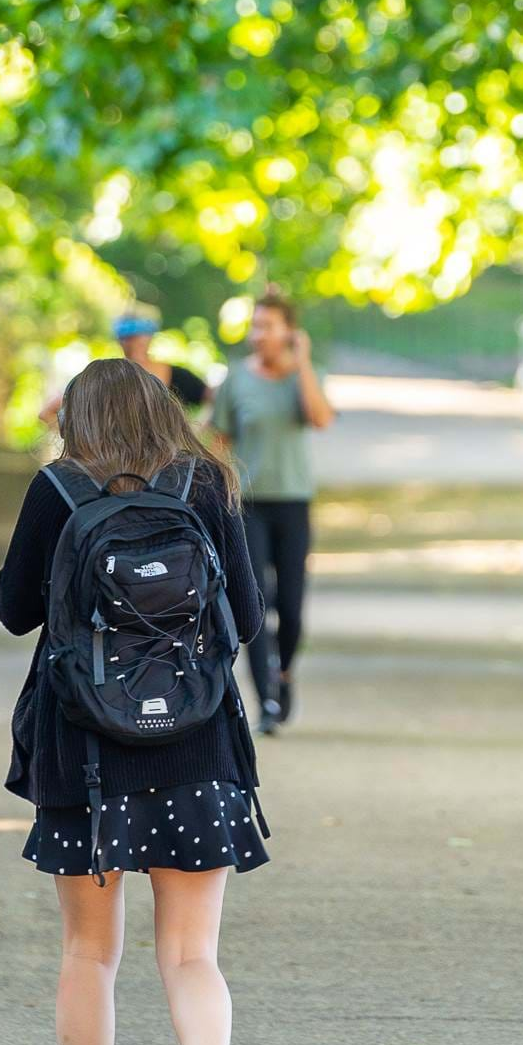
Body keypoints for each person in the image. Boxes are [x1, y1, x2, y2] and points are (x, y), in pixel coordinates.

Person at [0, 358, 280, 1045]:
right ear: (163, 411)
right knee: (192, 953)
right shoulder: (205, 482)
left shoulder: (60, 489)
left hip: (84, 755)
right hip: (197, 749)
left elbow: (13, 608)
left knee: (92, 952)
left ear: (74, 419)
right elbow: (250, 621)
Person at [207, 287, 333, 732]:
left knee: (293, 607)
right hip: (249, 504)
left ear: (289, 332)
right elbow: (218, 440)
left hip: (294, 503)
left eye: (267, 326)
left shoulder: (305, 375)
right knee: (253, 599)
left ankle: (284, 674)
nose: (258, 334)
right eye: (255, 325)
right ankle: (266, 703)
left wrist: (302, 363)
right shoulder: (236, 379)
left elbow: (319, 418)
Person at [117, 311, 212, 414]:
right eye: (130, 339)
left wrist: (201, 425)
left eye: (140, 339)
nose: (135, 344)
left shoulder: (178, 376)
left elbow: (214, 397)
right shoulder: (111, 378)